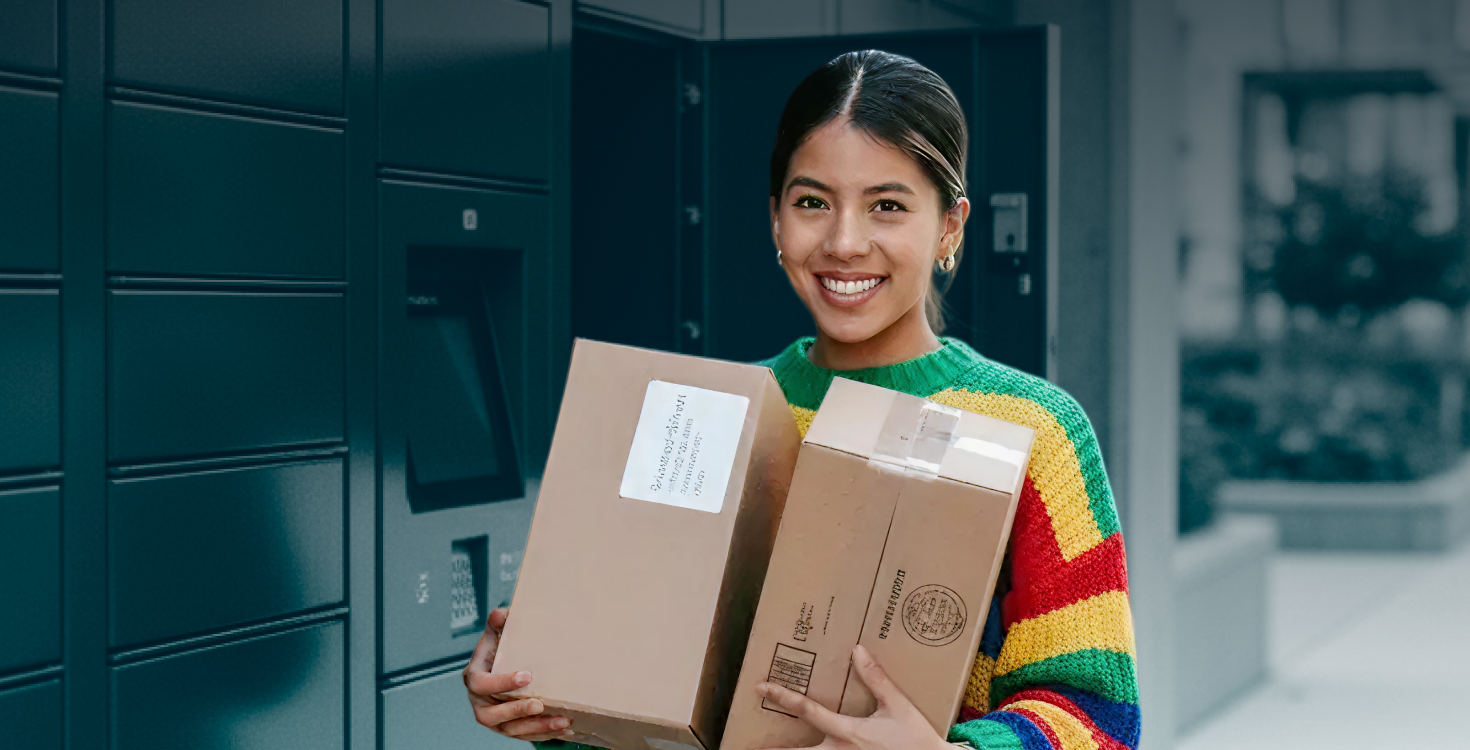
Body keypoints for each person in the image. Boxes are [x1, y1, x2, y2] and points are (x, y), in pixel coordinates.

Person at [464, 50, 1141, 750]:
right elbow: (650, 700)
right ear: (775, 220)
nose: (845, 243)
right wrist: (543, 700)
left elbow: (1100, 720)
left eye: (887, 206)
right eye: (812, 202)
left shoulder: (1035, 430)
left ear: (950, 226)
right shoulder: (709, 419)